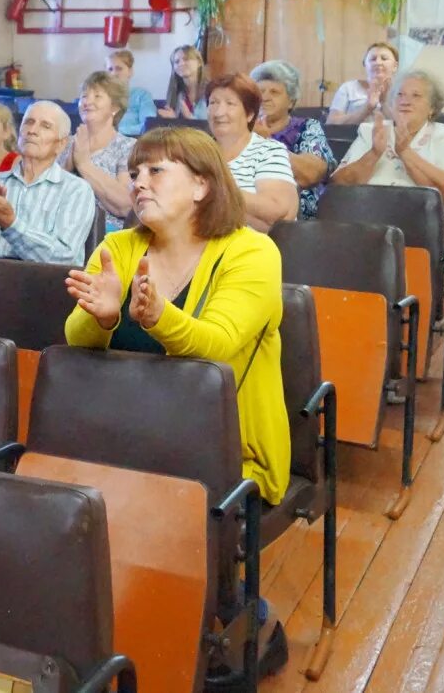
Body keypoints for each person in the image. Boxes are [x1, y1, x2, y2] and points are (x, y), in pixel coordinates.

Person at [63, 125, 291, 678]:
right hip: (122, 435)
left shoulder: (252, 252)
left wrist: (157, 316)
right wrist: (106, 316)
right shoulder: (118, 247)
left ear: (202, 186)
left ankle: (229, 619)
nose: (138, 182)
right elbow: (76, 338)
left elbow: (215, 349)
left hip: (223, 452)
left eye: (155, 171)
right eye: (135, 172)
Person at [332, 69, 444, 253]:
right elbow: (338, 185)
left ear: (432, 108)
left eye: (416, 95)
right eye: (400, 95)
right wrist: (373, 154)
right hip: (365, 228)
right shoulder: (370, 132)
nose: (405, 100)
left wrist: (405, 152)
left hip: (422, 238)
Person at [0, 101, 96, 267]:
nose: (32, 131)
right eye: (29, 122)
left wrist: (10, 224)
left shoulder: (76, 190)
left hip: (46, 284)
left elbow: (64, 258)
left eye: (45, 126)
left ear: (61, 144)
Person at [205, 73, 298, 232]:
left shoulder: (268, 151)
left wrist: (214, 193)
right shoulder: (196, 151)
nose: (219, 112)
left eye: (230, 103)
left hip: (251, 248)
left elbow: (276, 213)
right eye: (213, 102)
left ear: (250, 114)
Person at [250, 60, 335, 219]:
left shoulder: (307, 127)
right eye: (260, 91)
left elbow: (311, 174)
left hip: (293, 218)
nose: (265, 98)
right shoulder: (240, 128)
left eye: (274, 92)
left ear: (291, 101)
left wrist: (267, 143)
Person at [61, 71, 136, 230]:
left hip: (103, 232)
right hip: (62, 225)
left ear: (114, 107)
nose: (87, 102)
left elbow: (125, 205)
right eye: (84, 96)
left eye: (97, 96)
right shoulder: (66, 143)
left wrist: (84, 165)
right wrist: (68, 165)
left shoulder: (128, 147)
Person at [327, 41, 400, 126]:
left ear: (395, 66)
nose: (378, 62)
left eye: (384, 58)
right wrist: (367, 108)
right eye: (373, 59)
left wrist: (384, 103)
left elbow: (406, 127)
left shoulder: (402, 91)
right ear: (365, 64)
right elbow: (331, 123)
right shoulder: (348, 88)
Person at [107, 50, 159, 136]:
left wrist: (116, 132)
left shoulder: (142, 95)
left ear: (130, 72)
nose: (114, 73)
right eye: (110, 69)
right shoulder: (101, 97)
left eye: (119, 69)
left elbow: (149, 125)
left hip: (135, 142)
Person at [158, 45, 209, 120]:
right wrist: (173, 120)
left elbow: (212, 126)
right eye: (176, 62)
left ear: (199, 63)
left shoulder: (211, 91)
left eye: (186, 59)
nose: (181, 64)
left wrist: (189, 117)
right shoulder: (176, 93)